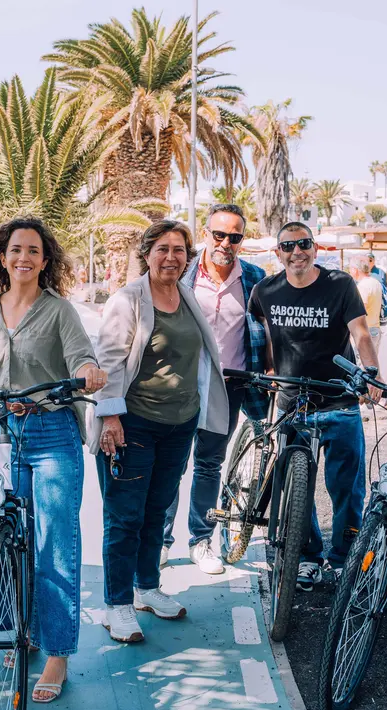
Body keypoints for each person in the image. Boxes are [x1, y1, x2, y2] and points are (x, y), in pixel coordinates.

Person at [0, 217, 106, 703]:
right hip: (3, 434)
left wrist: (89, 372)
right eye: (15, 250)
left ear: (45, 261)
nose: (23, 258)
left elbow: (81, 357)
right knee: (5, 537)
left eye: (33, 251)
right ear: (2, 258)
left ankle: (56, 653)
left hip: (51, 433)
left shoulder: (59, 310)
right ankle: (18, 630)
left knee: (54, 546)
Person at [93, 220, 229, 643]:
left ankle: (146, 588)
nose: (171, 257)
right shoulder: (128, 299)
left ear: (188, 256)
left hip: (179, 425)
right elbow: (110, 362)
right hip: (133, 423)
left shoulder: (185, 295)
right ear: (147, 254)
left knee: (157, 511)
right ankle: (116, 606)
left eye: (179, 249)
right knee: (125, 517)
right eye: (162, 249)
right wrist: (110, 417)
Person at [248, 221, 383, 591]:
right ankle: (307, 556)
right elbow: (261, 336)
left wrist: (370, 372)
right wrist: (269, 371)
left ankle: (342, 558)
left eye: (303, 243)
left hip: (340, 402)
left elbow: (361, 333)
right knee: (294, 488)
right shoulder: (265, 291)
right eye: (288, 246)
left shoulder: (340, 285)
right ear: (278, 253)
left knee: (346, 489)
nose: (297, 252)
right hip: (293, 404)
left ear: (315, 247)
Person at [162, 203, 268, 575]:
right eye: (219, 234)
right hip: (180, 385)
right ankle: (161, 540)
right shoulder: (182, 274)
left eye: (234, 237)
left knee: (209, 464)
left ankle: (201, 540)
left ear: (242, 240)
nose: (225, 243)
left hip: (230, 387)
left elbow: (268, 331)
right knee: (171, 465)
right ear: (206, 234)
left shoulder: (255, 278)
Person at [349, 255, 384, 351]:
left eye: (350, 268)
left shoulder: (363, 286)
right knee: (372, 364)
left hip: (365, 331)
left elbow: (359, 312)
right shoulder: (375, 282)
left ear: (355, 270)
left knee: (359, 364)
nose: (350, 271)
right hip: (376, 329)